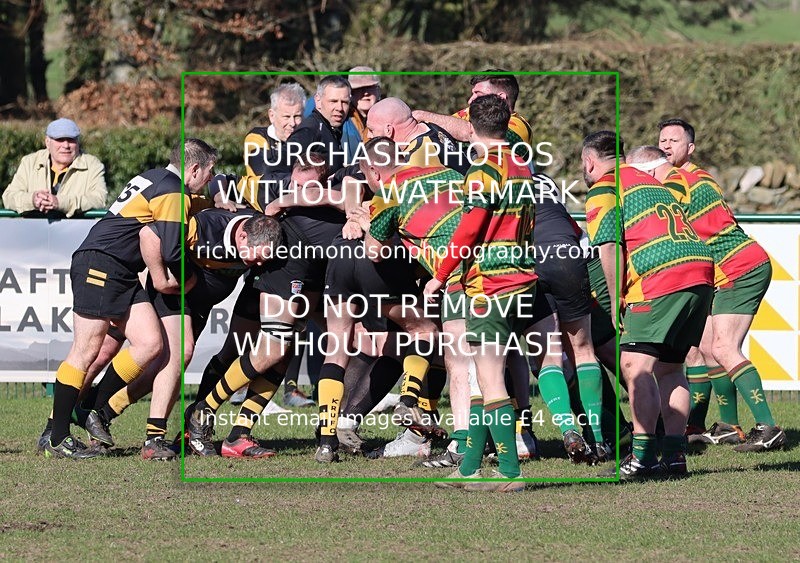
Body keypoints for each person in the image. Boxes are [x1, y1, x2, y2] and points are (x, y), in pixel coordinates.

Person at [43, 138, 218, 459]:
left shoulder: (157, 178)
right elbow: (173, 249)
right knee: (86, 351)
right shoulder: (173, 191)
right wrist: (190, 278)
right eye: (209, 174)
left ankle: (93, 409)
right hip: (101, 262)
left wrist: (215, 202)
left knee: (150, 344)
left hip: (120, 269)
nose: (208, 182)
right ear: (194, 168)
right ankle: (56, 437)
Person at [639, 130, 787, 452]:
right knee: (704, 346)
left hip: (738, 265)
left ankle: (768, 426)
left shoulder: (677, 183)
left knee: (722, 346)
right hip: (725, 269)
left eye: (673, 140)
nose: (666, 145)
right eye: (662, 140)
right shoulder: (693, 177)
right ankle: (726, 426)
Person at [425, 94, 539, 492]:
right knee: (480, 375)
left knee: (489, 377)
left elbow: (470, 228)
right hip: (518, 278)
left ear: (469, 129)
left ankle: (509, 472)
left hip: (492, 282)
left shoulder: (483, 170)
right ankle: (470, 467)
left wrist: (440, 275)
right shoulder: (522, 166)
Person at [583, 131, 715, 479]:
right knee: (671, 370)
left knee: (635, 366)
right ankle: (674, 456)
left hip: (661, 276)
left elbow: (610, 248)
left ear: (589, 162)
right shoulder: (650, 181)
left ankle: (641, 458)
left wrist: (614, 303)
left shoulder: (604, 188)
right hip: (700, 272)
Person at [3, 118, 107, 218]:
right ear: (47, 142)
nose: (66, 145)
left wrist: (60, 202)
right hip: (32, 230)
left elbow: (99, 199)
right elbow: (8, 197)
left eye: (71, 140)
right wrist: (33, 200)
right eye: (60, 140)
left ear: (78, 142)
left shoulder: (93, 165)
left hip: (76, 230)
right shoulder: (29, 162)